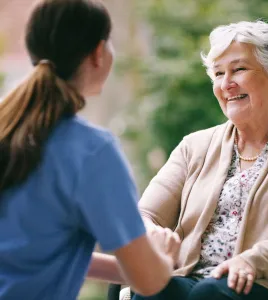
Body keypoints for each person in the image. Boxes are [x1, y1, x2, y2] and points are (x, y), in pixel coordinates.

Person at [0, 0, 180, 299]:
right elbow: (150, 283)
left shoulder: (10, 129)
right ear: (98, 53)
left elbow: (35, 253)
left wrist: (134, 265)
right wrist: (163, 257)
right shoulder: (92, 152)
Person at [132, 20, 268, 300]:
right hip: (192, 276)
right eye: (218, 73)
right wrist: (153, 235)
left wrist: (252, 261)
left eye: (239, 70)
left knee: (210, 295)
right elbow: (146, 214)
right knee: (153, 291)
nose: (226, 84)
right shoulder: (194, 146)